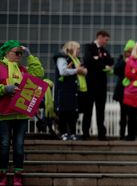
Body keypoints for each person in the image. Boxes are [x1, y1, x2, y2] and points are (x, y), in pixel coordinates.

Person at [0, 40, 44, 186]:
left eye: (21, 53)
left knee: (19, 146)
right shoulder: (0, 67)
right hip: (3, 114)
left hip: (21, 114)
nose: (19, 55)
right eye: (16, 52)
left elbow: (38, 75)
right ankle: (3, 174)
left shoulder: (23, 69)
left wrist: (30, 56)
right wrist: (4, 89)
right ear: (6, 53)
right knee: (4, 145)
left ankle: (18, 174)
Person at [82, 30, 114, 140]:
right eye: (105, 40)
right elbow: (88, 61)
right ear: (100, 37)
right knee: (88, 110)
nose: (106, 42)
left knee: (101, 111)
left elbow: (110, 61)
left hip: (101, 86)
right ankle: (85, 133)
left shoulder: (105, 51)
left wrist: (98, 61)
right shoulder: (89, 47)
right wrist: (101, 63)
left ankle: (102, 134)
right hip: (90, 85)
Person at [54, 41, 88, 141]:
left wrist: (83, 71)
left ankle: (72, 133)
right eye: (77, 49)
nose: (79, 51)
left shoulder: (76, 60)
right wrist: (76, 70)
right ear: (71, 48)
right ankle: (63, 133)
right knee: (64, 112)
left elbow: (81, 71)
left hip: (74, 90)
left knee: (73, 113)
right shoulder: (62, 58)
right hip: (64, 90)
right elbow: (62, 71)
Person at [113, 40, 136, 140]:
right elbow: (116, 70)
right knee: (123, 115)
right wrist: (124, 62)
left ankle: (132, 134)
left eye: (132, 51)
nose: (129, 53)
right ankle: (121, 134)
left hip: (133, 91)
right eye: (128, 51)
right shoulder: (121, 59)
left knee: (132, 115)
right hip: (122, 91)